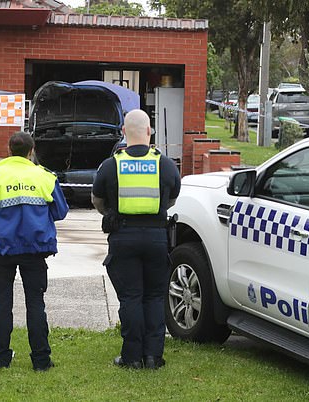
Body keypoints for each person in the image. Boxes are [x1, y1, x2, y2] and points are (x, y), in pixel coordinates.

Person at [92, 109, 181, 369]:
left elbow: (98, 200)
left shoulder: (111, 165)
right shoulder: (165, 164)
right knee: (154, 297)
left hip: (123, 236)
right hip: (157, 237)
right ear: (149, 131)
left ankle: (131, 358)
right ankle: (153, 356)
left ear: (123, 132)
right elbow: (173, 197)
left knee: (131, 297)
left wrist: (114, 212)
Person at [0, 131, 69, 371]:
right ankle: (41, 360)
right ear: (31, 151)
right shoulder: (45, 177)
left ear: (8, 150)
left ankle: (2, 358)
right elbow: (60, 211)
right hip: (35, 250)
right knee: (36, 303)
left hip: (2, 249)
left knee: (2, 303)